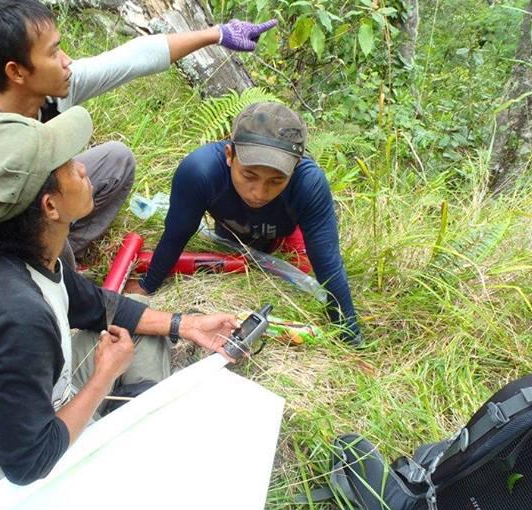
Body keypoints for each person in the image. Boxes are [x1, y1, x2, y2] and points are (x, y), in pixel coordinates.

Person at [0, 107, 238, 488]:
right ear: (49, 206)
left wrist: (188, 325)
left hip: (45, 406)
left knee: (144, 324)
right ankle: (132, 434)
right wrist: (104, 375)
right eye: (68, 165)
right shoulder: (19, 318)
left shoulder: (29, 261)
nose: (83, 168)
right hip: (25, 479)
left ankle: (133, 416)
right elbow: (25, 464)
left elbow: (99, 307)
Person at [0, 0, 276, 278]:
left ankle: (67, 249)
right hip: (2, 245)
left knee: (116, 160)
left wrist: (218, 34)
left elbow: (133, 58)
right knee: (48, 210)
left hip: (45, 212)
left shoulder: (54, 91)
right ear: (16, 71)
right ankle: (53, 269)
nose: (66, 61)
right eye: (53, 53)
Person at [127, 102, 362, 343]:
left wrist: (350, 337)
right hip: (233, 229)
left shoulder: (309, 184)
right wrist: (148, 285)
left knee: (300, 271)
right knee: (234, 245)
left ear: (295, 169)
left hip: (285, 231)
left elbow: (328, 264)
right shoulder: (200, 172)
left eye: (277, 181)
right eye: (249, 176)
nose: (259, 193)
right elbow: (176, 234)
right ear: (229, 155)